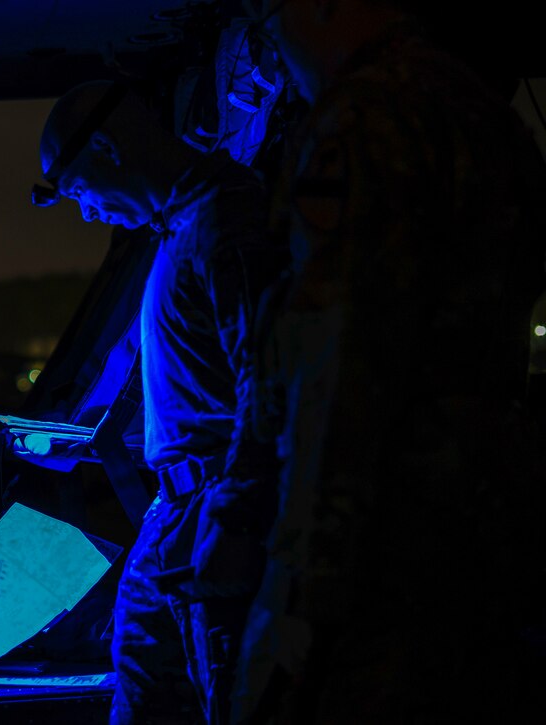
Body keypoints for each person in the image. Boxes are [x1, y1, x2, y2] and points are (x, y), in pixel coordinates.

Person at [230, 1, 546, 722]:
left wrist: (296, 597)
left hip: (383, 553)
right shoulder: (481, 111)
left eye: (274, 30)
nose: (278, 57)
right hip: (487, 531)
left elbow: (338, 373)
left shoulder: (365, 119)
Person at [34, 79, 288, 724]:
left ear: (110, 153)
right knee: (144, 688)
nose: (89, 214)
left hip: (216, 507)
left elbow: (268, 386)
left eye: (81, 193)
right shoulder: (181, 226)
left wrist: (233, 521)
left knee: (220, 694)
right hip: (178, 508)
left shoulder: (226, 224)